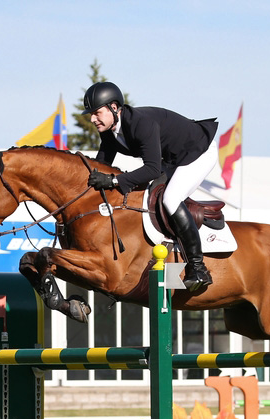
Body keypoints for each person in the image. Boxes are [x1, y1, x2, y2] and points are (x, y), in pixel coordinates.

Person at [83, 82, 218, 292]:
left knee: (170, 198)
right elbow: (102, 165)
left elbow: (153, 169)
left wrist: (114, 181)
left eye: (97, 113)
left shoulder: (141, 124)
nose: (92, 119)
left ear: (114, 107)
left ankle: (198, 268)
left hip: (198, 152)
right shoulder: (108, 130)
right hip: (172, 158)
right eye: (91, 114)